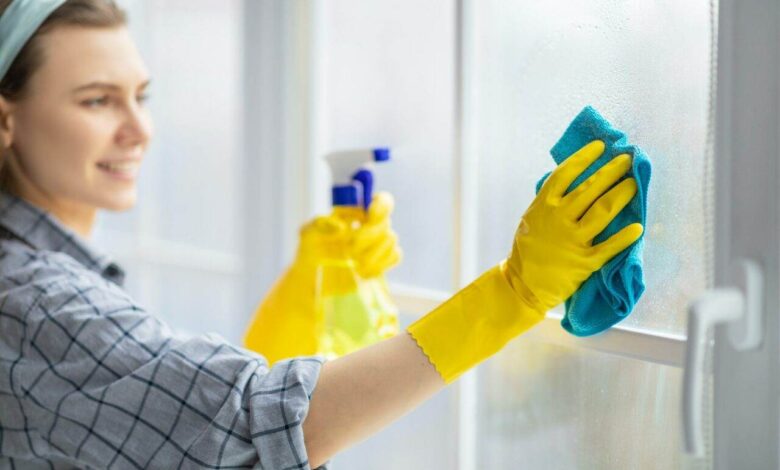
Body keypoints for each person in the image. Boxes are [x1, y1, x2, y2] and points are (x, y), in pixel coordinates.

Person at [0, 1, 643, 468]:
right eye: (96, 100)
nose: (139, 130)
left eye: (141, 95)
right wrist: (512, 294)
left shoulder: (45, 275)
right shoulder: (34, 301)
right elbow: (259, 426)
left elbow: (169, 434)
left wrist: (294, 317)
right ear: (7, 122)